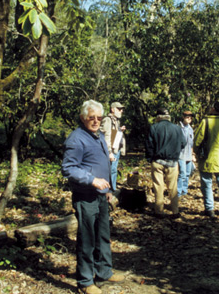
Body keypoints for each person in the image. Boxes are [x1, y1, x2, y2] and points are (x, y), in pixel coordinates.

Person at [61, 100, 125, 294]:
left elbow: (103, 164)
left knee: (103, 236)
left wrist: (107, 189)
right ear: (83, 118)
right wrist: (91, 180)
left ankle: (104, 271)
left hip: (101, 196)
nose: (96, 121)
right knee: (87, 239)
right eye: (92, 118)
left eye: (99, 118)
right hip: (85, 195)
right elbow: (68, 168)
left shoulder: (98, 136)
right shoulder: (76, 139)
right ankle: (85, 282)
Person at [193, 102, 219, 218]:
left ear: (212, 109)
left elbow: (197, 140)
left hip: (207, 159)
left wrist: (196, 151)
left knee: (207, 184)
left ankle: (209, 209)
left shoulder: (205, 122)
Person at [145, 108, 186, 218]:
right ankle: (175, 211)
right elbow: (183, 143)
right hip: (172, 162)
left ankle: (159, 211)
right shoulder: (177, 128)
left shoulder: (154, 128)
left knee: (158, 186)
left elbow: (149, 145)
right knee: (173, 187)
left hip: (157, 161)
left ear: (158, 117)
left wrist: (150, 158)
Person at [101, 102, 126, 191]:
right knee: (111, 171)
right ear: (112, 109)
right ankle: (110, 191)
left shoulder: (116, 121)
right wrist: (109, 152)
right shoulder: (108, 120)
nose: (121, 111)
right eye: (119, 109)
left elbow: (114, 135)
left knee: (114, 170)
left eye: (122, 109)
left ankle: (112, 189)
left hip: (116, 150)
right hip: (111, 151)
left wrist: (120, 130)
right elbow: (106, 137)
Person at [177, 111, 196, 197]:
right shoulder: (179, 128)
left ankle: (184, 191)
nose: (189, 119)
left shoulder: (191, 129)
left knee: (188, 173)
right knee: (182, 174)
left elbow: (191, 144)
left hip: (189, 155)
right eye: (187, 117)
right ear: (183, 117)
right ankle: (178, 192)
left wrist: (193, 155)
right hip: (181, 155)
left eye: (190, 117)